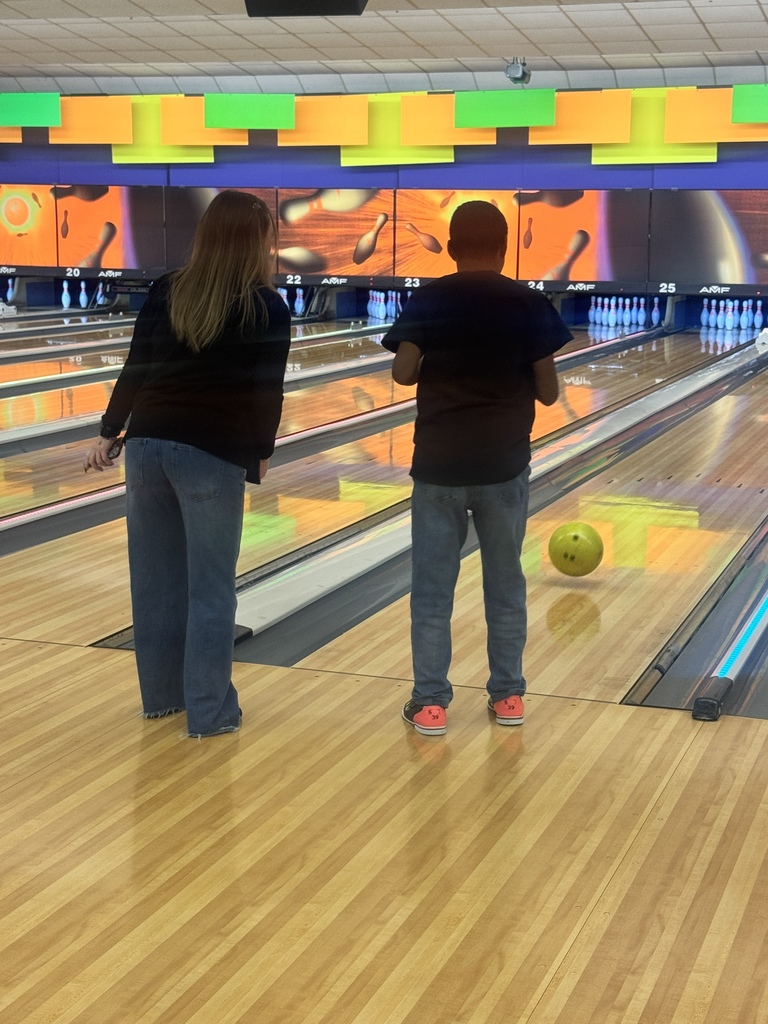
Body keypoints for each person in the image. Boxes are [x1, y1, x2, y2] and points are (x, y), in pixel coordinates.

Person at [83, 190, 291, 737]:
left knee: (155, 585)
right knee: (211, 589)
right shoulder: (266, 304)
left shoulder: (166, 289)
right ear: (258, 241)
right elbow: (267, 391)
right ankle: (209, 713)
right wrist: (261, 453)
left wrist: (110, 433)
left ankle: (162, 700)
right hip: (212, 451)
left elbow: (136, 365)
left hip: (148, 446)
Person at [382, 200, 572, 736]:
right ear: (505, 246)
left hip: (439, 464)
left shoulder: (429, 298)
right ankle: (508, 696)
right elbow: (550, 391)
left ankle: (430, 704)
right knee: (505, 584)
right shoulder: (528, 304)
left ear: (452, 244)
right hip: (503, 465)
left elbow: (402, 374)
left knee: (432, 590)